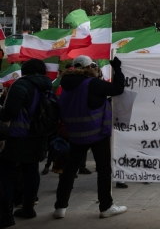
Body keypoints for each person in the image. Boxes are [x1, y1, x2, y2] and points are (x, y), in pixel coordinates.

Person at [53, 55, 126, 219]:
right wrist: (118, 69)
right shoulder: (92, 83)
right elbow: (118, 89)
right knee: (103, 170)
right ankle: (106, 206)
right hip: (96, 132)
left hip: (75, 134)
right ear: (89, 67)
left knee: (69, 170)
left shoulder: (66, 85)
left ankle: (60, 207)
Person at [0, 58, 52, 227]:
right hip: (38, 134)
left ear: (25, 70)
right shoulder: (47, 85)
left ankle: (6, 214)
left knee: (4, 172)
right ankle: (28, 208)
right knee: (31, 171)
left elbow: (10, 112)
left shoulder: (21, 85)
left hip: (17, 135)